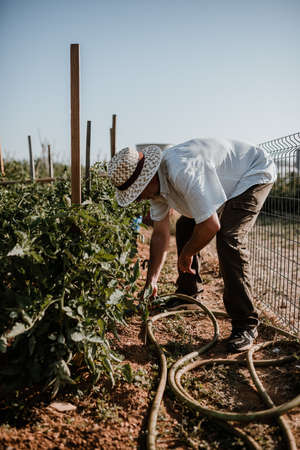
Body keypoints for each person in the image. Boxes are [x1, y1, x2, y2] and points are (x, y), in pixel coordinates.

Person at [107, 138, 277, 352]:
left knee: (229, 237)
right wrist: (152, 280)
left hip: (252, 172)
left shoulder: (182, 171)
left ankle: (246, 324)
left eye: (136, 193)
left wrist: (187, 253)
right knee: (185, 224)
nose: (137, 199)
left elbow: (210, 225)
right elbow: (160, 234)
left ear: (146, 180)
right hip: (225, 179)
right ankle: (189, 292)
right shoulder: (155, 188)